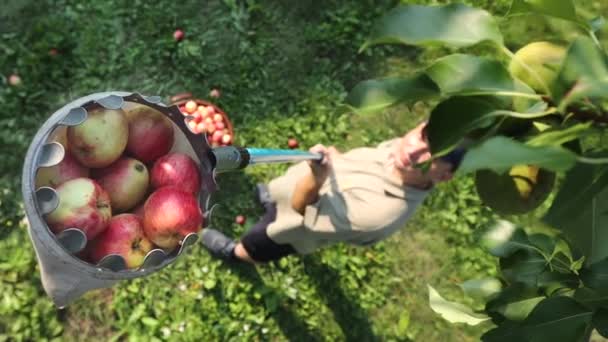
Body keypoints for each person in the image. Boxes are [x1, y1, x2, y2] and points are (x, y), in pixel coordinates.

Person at [201, 120, 466, 263]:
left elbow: (301, 207)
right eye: (422, 136)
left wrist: (318, 178)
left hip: (293, 225)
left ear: (444, 175)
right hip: (303, 187)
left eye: (433, 154)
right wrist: (337, 158)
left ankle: (235, 253)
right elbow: (359, 161)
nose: (412, 149)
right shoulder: (402, 155)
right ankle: (270, 200)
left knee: (261, 243)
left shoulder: (380, 213)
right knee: (277, 195)